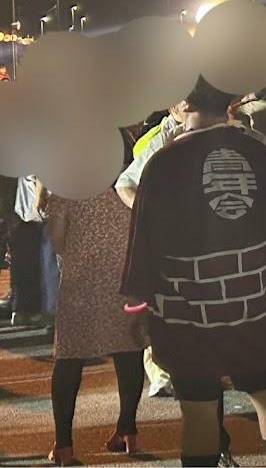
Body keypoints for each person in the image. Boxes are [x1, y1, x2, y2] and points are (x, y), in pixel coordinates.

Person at [121, 77, 266, 468]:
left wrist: (137, 306)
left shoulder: (164, 161)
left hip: (186, 306)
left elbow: (145, 241)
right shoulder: (258, 149)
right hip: (250, 299)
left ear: (182, 102)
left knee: (199, 409)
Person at [44, 182, 147, 465]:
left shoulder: (67, 189)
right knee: (129, 351)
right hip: (125, 279)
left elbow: (57, 240)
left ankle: (63, 445)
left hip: (81, 285)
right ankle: (127, 429)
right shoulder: (129, 181)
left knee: (69, 358)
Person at [9, 174, 57, 327]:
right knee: (41, 263)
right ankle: (35, 309)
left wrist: (39, 198)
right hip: (29, 214)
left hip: (37, 213)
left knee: (45, 263)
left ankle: (47, 310)